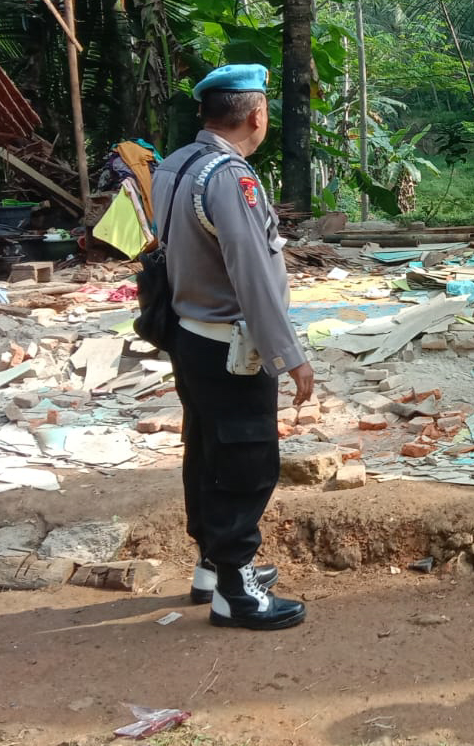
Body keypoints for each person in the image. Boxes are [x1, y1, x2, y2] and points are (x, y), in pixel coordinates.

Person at [150, 63, 315, 631]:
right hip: (230, 347)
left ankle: (211, 567)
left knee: (205, 452)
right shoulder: (229, 177)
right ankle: (236, 591)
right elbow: (253, 272)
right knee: (245, 463)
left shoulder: (174, 166)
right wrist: (288, 353)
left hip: (189, 336)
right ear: (256, 114)